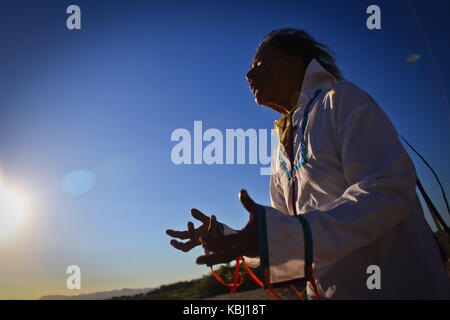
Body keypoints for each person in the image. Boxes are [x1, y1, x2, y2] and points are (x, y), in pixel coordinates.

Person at [166, 28, 450, 299]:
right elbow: (287, 237)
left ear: (295, 61)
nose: (249, 74)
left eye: (260, 64)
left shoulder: (341, 100)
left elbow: (388, 192)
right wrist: (233, 239)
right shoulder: (280, 147)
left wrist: (283, 235)